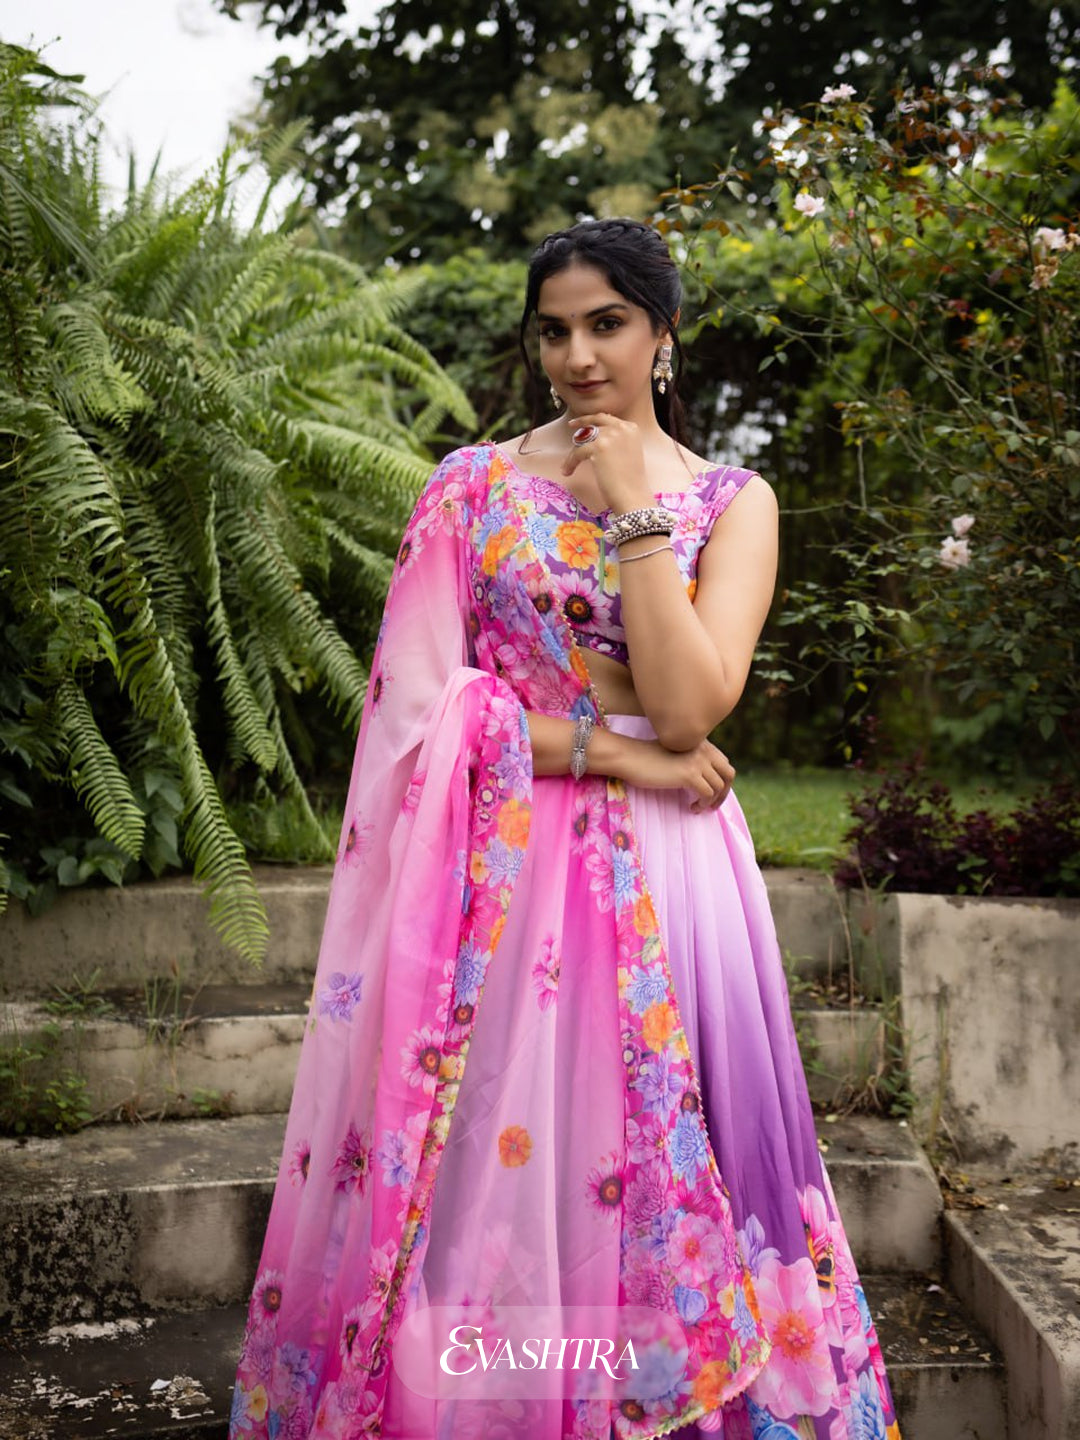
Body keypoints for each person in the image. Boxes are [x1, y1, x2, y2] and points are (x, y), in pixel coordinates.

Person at [227, 218, 903, 1440]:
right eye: (555, 330)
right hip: (505, 875)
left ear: (662, 333)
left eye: (608, 325)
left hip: (680, 878)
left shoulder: (728, 502)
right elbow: (418, 720)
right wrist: (620, 750)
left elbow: (697, 699)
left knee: (684, 1157)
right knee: (504, 1175)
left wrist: (638, 514)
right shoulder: (469, 488)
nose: (580, 356)